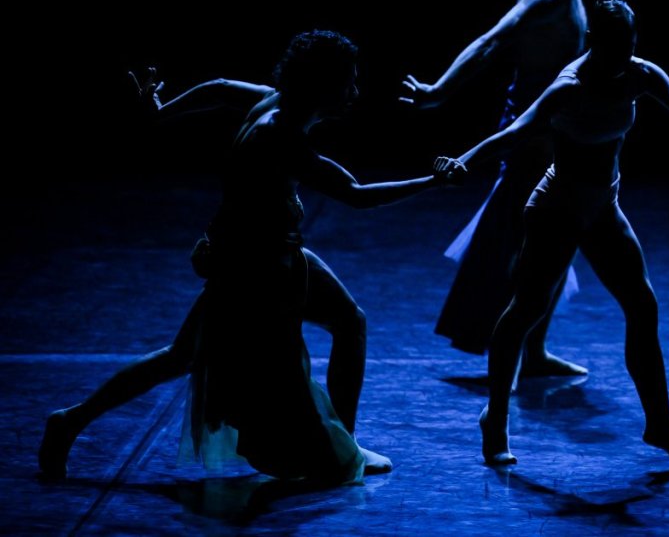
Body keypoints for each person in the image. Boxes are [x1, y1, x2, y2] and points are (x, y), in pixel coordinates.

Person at [39, 30, 447, 483]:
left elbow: (217, 89)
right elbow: (355, 193)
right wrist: (432, 181)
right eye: (347, 81)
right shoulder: (280, 135)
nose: (354, 91)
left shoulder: (274, 101)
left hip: (273, 250)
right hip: (254, 264)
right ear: (321, 86)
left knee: (348, 322)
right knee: (185, 355)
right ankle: (71, 419)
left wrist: (161, 111)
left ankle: (344, 443)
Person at [436, 0, 669, 466]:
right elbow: (515, 132)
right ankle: (495, 416)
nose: (623, 55)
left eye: (630, 44)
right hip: (557, 207)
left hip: (603, 206)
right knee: (525, 309)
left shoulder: (641, 75)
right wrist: (463, 160)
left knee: (642, 306)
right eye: (614, 45)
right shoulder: (569, 87)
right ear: (592, 41)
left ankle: (659, 424)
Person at [400, 0, 610, 376]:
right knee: (530, 243)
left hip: (553, 131)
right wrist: (439, 91)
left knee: (553, 238)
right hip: (534, 135)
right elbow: (493, 41)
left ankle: (531, 351)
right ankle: (512, 350)